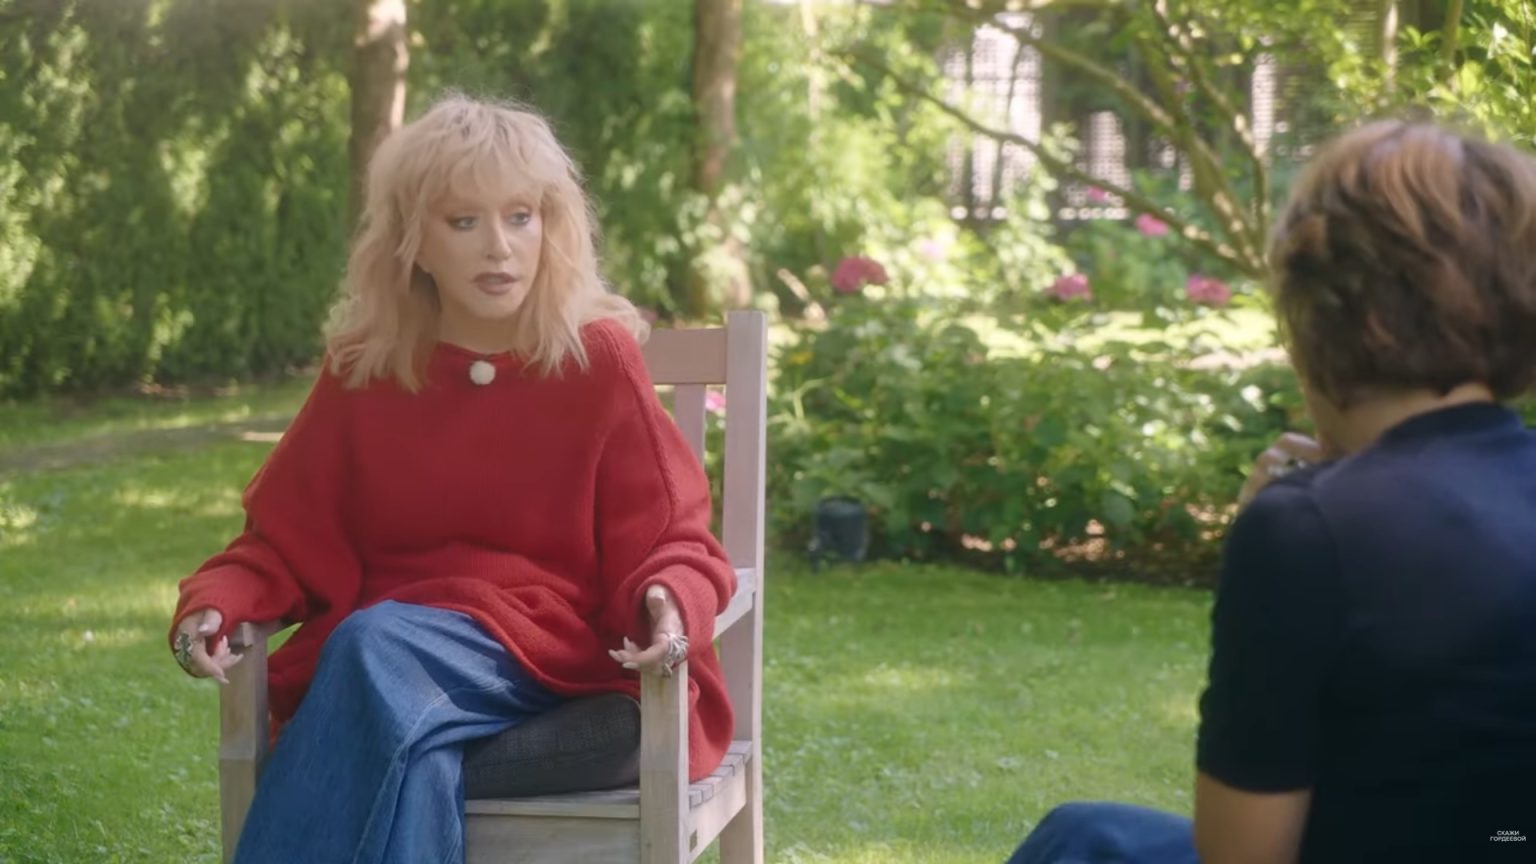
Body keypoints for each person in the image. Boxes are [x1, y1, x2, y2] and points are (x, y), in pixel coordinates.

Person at [167, 94, 737, 863]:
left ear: (550, 227)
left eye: (520, 217)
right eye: (463, 221)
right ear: (415, 243)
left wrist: (669, 604)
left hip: (555, 671)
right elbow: (283, 538)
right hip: (400, 682)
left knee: (368, 654)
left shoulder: (595, 361)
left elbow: (675, 538)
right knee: (409, 741)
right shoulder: (366, 369)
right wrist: (216, 603)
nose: (498, 248)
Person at [1007, 119, 1536, 863]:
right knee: (1087, 833)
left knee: (1078, 844)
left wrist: (1284, 536)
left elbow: (1242, 855)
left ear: (1323, 312)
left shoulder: (1306, 531)